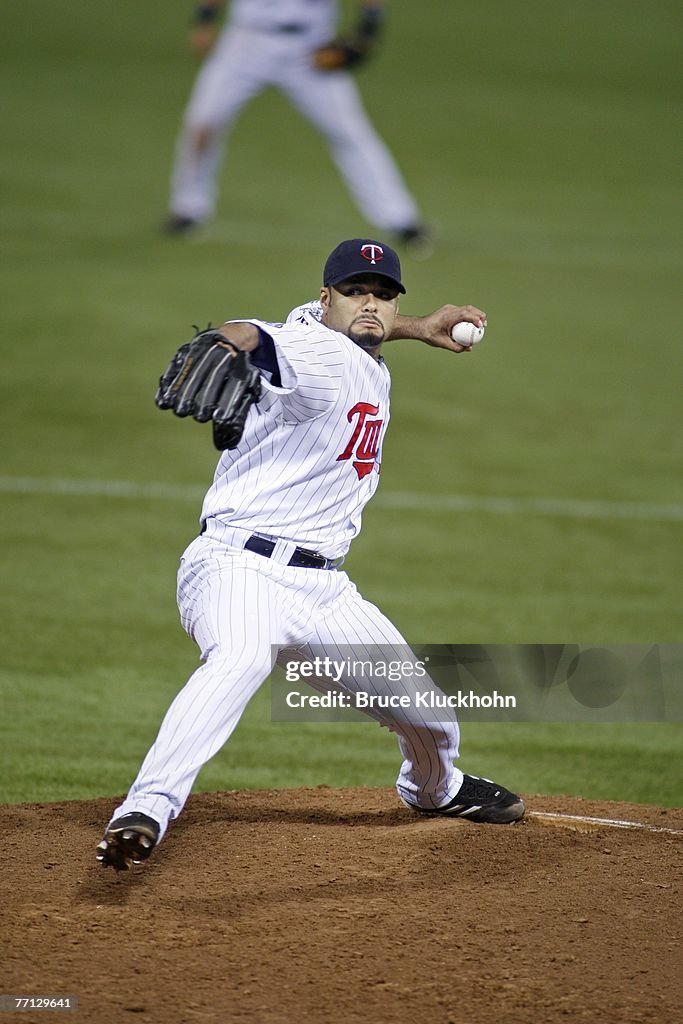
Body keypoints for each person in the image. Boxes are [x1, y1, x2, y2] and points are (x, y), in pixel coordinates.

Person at [97, 238, 524, 871]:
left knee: (430, 719)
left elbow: (359, 331)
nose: (371, 305)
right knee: (239, 660)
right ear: (326, 297)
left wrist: (417, 326)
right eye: (355, 292)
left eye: (382, 294)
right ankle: (145, 810)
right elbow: (257, 335)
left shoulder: (347, 341)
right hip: (239, 569)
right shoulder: (315, 350)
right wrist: (226, 340)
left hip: (325, 590)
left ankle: (436, 790)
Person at [164, 0, 432, 253]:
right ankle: (188, 208)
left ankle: (399, 218)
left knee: (350, 133)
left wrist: (368, 28)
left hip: (311, 48)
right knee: (202, 125)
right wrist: (204, 20)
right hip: (245, 43)